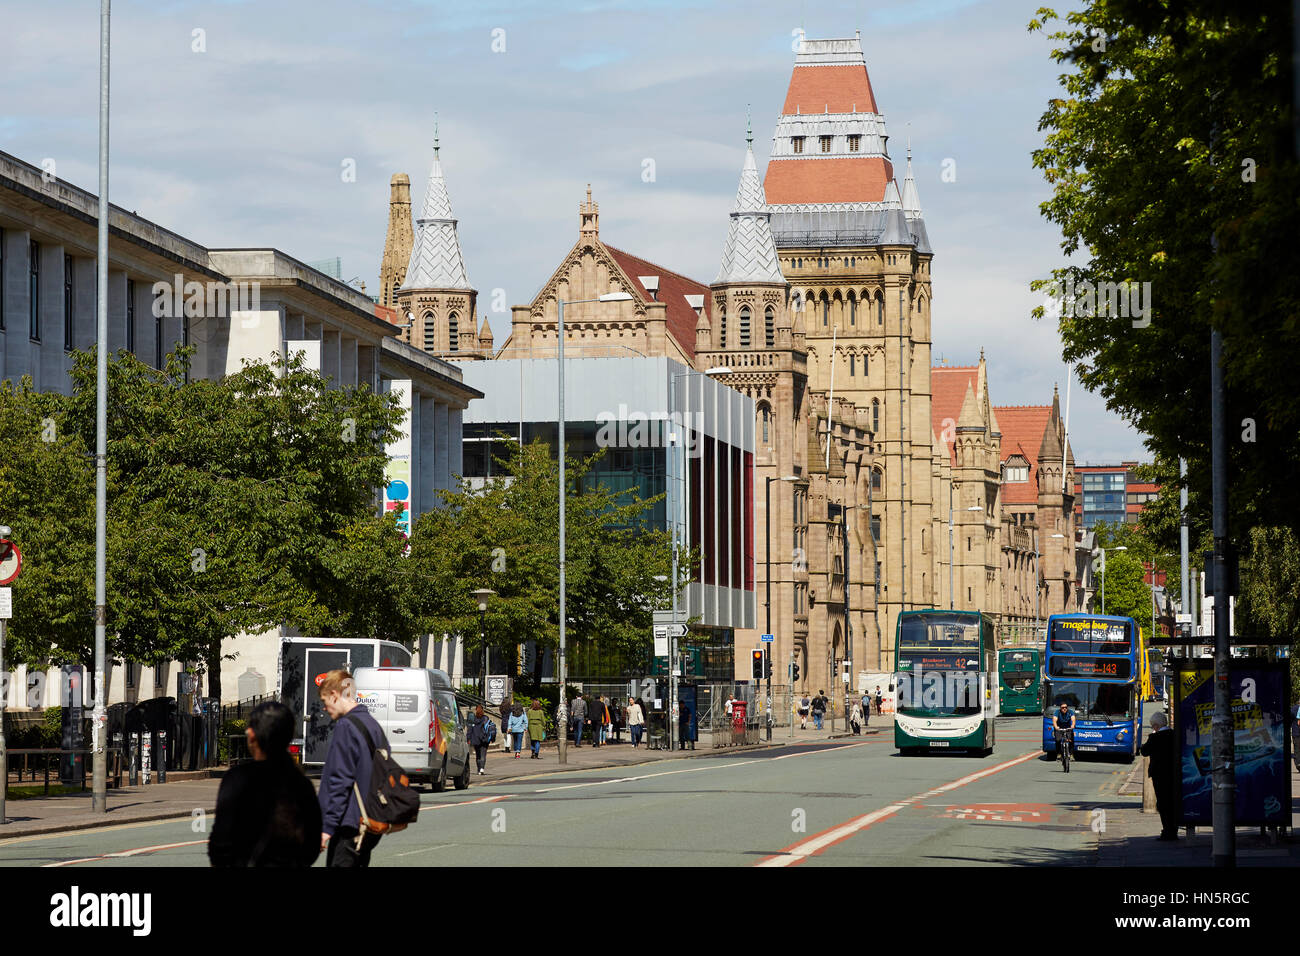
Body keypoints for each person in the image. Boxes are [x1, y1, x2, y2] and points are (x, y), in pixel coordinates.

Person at [209, 700, 320, 867]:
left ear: (252, 735)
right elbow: (312, 842)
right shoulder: (301, 783)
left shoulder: (237, 779)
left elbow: (220, 841)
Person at [317, 669, 388, 867]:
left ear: (334, 695)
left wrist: (326, 828)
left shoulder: (346, 727)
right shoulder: (372, 725)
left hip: (349, 822)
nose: (325, 708)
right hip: (371, 820)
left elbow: (340, 779)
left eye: (324, 701)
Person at [1140, 711, 1178, 841]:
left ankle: (1167, 831)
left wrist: (1151, 736)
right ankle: (1174, 829)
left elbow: (1144, 751)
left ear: (1156, 726)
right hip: (1174, 773)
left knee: (1163, 803)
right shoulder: (1174, 735)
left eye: (1152, 726)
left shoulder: (1154, 737)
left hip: (1159, 775)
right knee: (1172, 801)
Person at [468, 704, 493, 774]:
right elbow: (489, 728)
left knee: (478, 755)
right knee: (483, 754)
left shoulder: (472, 718)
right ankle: (482, 768)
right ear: (483, 710)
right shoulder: (486, 718)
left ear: (476, 710)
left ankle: (479, 769)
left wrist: (468, 738)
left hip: (475, 738)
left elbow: (469, 729)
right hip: (484, 739)